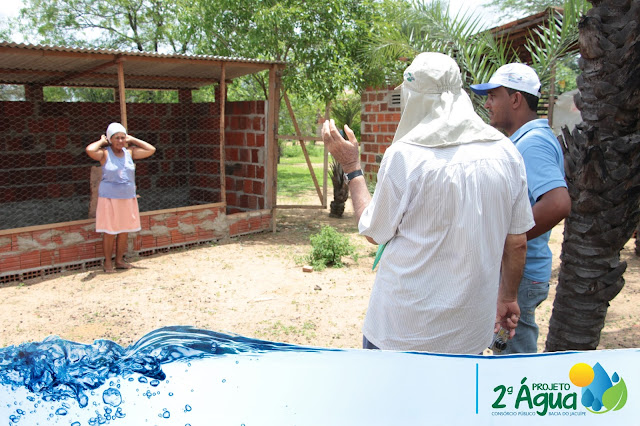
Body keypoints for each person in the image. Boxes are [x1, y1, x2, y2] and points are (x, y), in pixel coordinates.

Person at [322, 52, 535, 354]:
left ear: (413, 99)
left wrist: (352, 168)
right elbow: (517, 242)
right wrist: (508, 296)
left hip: (402, 334)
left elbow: (374, 232)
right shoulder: (506, 153)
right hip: (469, 336)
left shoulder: (406, 156)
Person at [471, 63, 571, 354]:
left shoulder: (532, 144)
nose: (487, 104)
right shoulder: (525, 141)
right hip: (519, 274)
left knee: (515, 361)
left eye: (493, 96)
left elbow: (558, 203)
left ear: (515, 99)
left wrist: (510, 239)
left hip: (521, 277)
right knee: (504, 351)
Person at [85, 123, 156, 273]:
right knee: (110, 231)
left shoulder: (130, 152)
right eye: (116, 138)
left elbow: (151, 149)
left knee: (124, 230)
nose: (120, 141)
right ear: (110, 139)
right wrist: (101, 141)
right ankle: (107, 263)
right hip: (109, 198)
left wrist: (133, 139)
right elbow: (90, 150)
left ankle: (119, 261)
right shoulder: (104, 154)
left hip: (127, 197)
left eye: (122, 137)